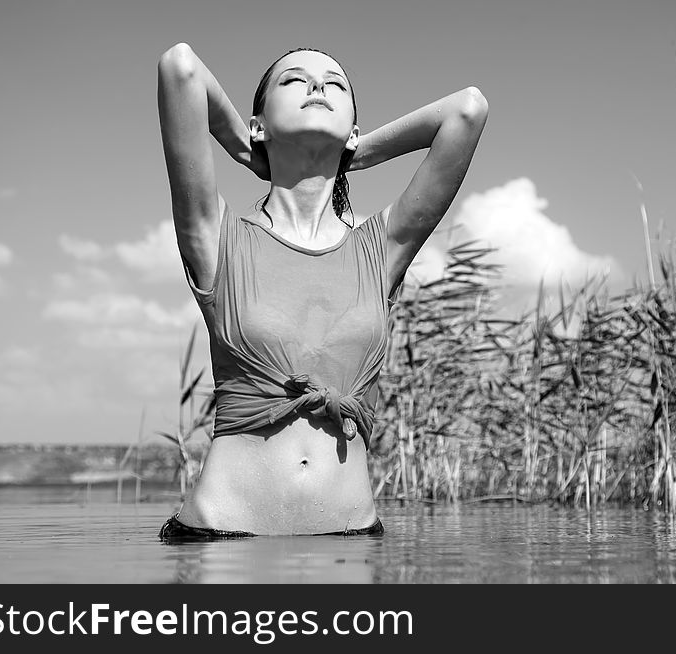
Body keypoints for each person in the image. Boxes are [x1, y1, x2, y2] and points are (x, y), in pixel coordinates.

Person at [156, 44, 487, 539]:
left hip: (349, 546)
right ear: (258, 123)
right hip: (221, 547)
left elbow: (468, 110)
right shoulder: (218, 239)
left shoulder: (381, 249)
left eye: (335, 84)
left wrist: (355, 151)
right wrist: (250, 150)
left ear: (354, 128)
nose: (316, 87)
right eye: (293, 81)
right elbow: (180, 68)